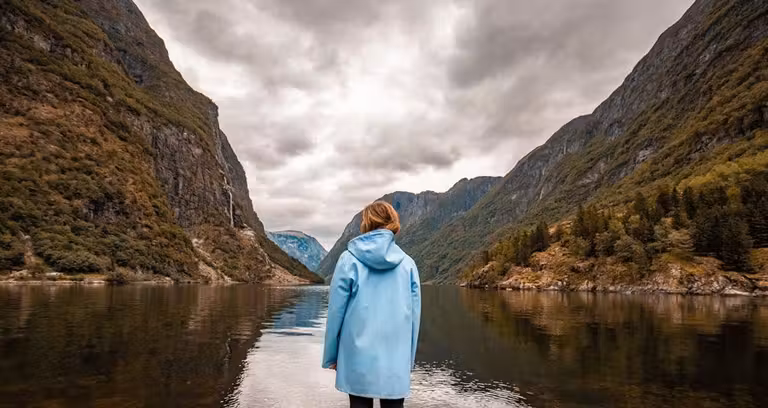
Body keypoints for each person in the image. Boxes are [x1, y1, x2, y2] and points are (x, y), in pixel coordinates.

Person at [322, 201, 422, 408]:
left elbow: (335, 313)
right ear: (393, 223)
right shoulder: (408, 264)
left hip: (356, 355)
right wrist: (408, 360)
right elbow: (414, 317)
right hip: (396, 357)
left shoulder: (348, 260)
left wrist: (332, 355)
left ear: (366, 223)